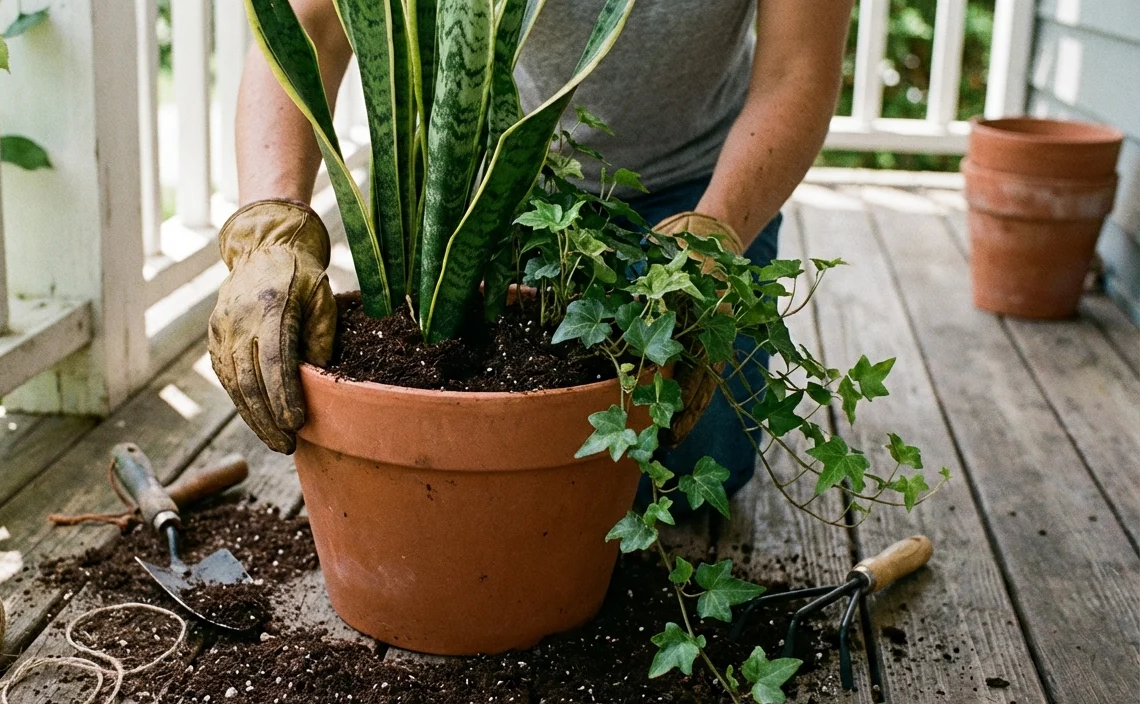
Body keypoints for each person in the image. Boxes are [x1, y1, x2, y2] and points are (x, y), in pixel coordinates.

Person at [209, 0, 854, 503]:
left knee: (688, 469)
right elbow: (308, 26)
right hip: (488, 192)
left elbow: (796, 71)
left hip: (702, 184)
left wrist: (718, 231)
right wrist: (268, 231)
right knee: (446, 410)